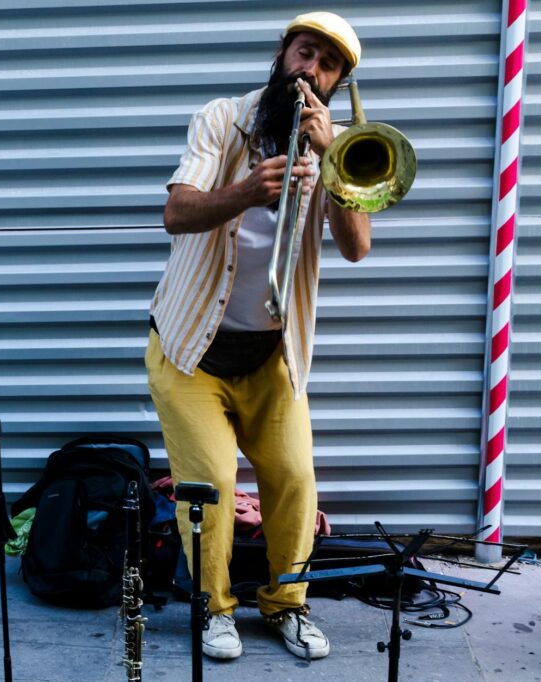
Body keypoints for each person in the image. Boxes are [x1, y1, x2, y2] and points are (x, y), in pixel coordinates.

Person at [145, 11, 370, 661]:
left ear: (337, 83)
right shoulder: (222, 119)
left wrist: (334, 160)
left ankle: (286, 605)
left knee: (297, 479)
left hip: (273, 355)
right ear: (282, 54)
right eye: (305, 54)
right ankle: (215, 609)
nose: (312, 71)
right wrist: (245, 192)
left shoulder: (336, 144)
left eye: (328, 66)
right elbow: (175, 211)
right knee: (211, 486)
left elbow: (356, 248)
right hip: (191, 352)